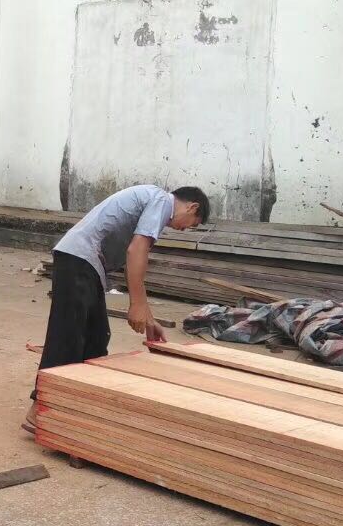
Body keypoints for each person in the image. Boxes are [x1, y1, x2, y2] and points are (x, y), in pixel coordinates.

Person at [23, 184, 210, 433]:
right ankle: (42, 409)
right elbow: (136, 250)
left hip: (86, 263)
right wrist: (136, 305)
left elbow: (136, 257)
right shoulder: (162, 201)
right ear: (192, 207)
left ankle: (72, 407)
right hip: (79, 259)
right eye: (191, 224)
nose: (184, 229)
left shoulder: (153, 201)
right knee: (68, 336)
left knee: (96, 339)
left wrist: (149, 318)